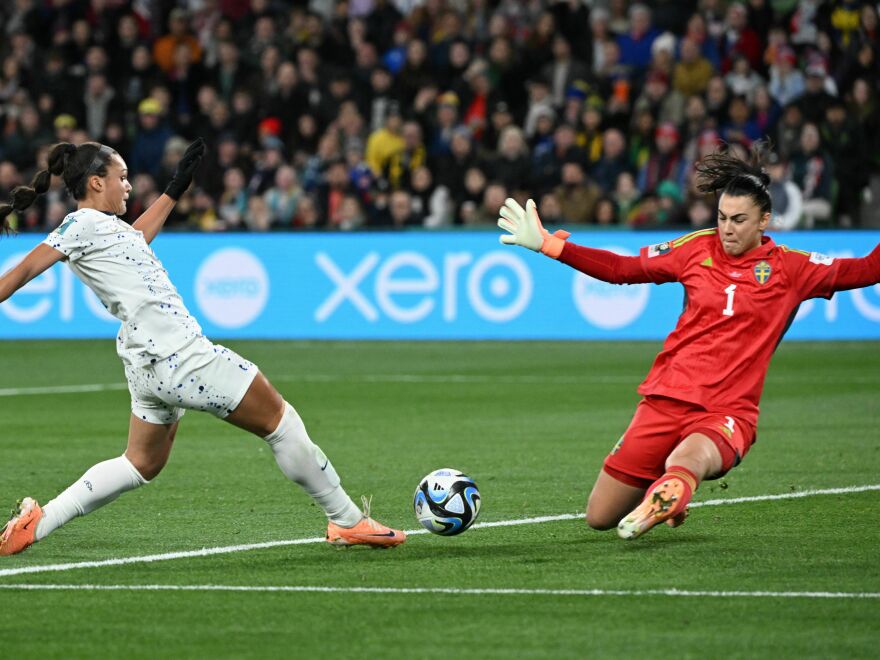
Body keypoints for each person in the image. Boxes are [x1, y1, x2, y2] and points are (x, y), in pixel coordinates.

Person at [0, 139, 405, 556]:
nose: (128, 186)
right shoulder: (80, 225)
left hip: (147, 364)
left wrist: (175, 189)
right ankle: (346, 520)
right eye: (121, 178)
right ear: (96, 182)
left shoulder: (105, 229)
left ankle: (38, 522)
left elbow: (135, 240)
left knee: (140, 463)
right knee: (281, 423)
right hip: (181, 356)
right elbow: (26, 269)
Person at [497, 142, 879, 540]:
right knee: (599, 516)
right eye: (722, 217)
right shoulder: (696, 248)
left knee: (688, 459)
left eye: (739, 220)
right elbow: (622, 269)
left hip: (726, 411)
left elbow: (870, 268)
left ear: (765, 220)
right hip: (665, 399)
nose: (727, 228)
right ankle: (668, 493)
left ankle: (674, 486)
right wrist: (550, 245)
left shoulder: (793, 268)